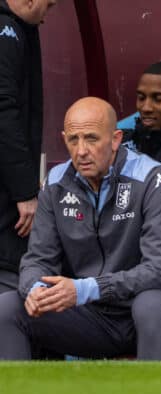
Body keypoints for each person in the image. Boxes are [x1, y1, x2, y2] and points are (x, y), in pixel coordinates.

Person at [0, 97, 161, 360]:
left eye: (91, 139)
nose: (81, 151)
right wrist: (34, 289)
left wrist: (84, 289)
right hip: (97, 316)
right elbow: (37, 260)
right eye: (73, 140)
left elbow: (158, 272)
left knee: (150, 305)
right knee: (8, 308)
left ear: (115, 139)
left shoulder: (152, 178)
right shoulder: (55, 183)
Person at [0, 0, 56, 293]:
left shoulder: (19, 27)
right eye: (49, 5)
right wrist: (25, 191)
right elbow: (3, 112)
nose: (48, 15)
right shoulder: (6, 30)